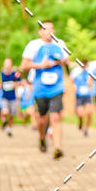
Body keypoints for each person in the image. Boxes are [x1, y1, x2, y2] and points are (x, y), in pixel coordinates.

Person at [21, 22, 69, 157]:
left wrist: (62, 61)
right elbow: (24, 65)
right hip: (40, 88)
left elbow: (67, 61)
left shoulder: (60, 44)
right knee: (42, 119)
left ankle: (58, 148)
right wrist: (41, 65)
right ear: (40, 32)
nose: (49, 31)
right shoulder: (34, 45)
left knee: (55, 117)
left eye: (51, 28)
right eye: (45, 29)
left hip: (57, 87)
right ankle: (42, 138)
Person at [70, 60, 94, 136]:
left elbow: (92, 80)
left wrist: (90, 83)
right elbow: (71, 80)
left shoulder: (89, 72)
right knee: (80, 114)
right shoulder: (76, 71)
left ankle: (86, 129)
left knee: (89, 113)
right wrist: (74, 86)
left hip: (87, 95)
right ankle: (80, 122)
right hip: (79, 95)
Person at [0, 58, 20, 136]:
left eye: (8, 65)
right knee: (5, 111)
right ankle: (4, 120)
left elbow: (19, 82)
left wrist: (15, 84)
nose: (7, 67)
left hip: (13, 97)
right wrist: (0, 85)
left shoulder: (15, 73)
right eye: (6, 65)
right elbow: (0, 83)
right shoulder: (2, 73)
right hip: (4, 97)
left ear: (11, 65)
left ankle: (9, 128)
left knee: (11, 115)